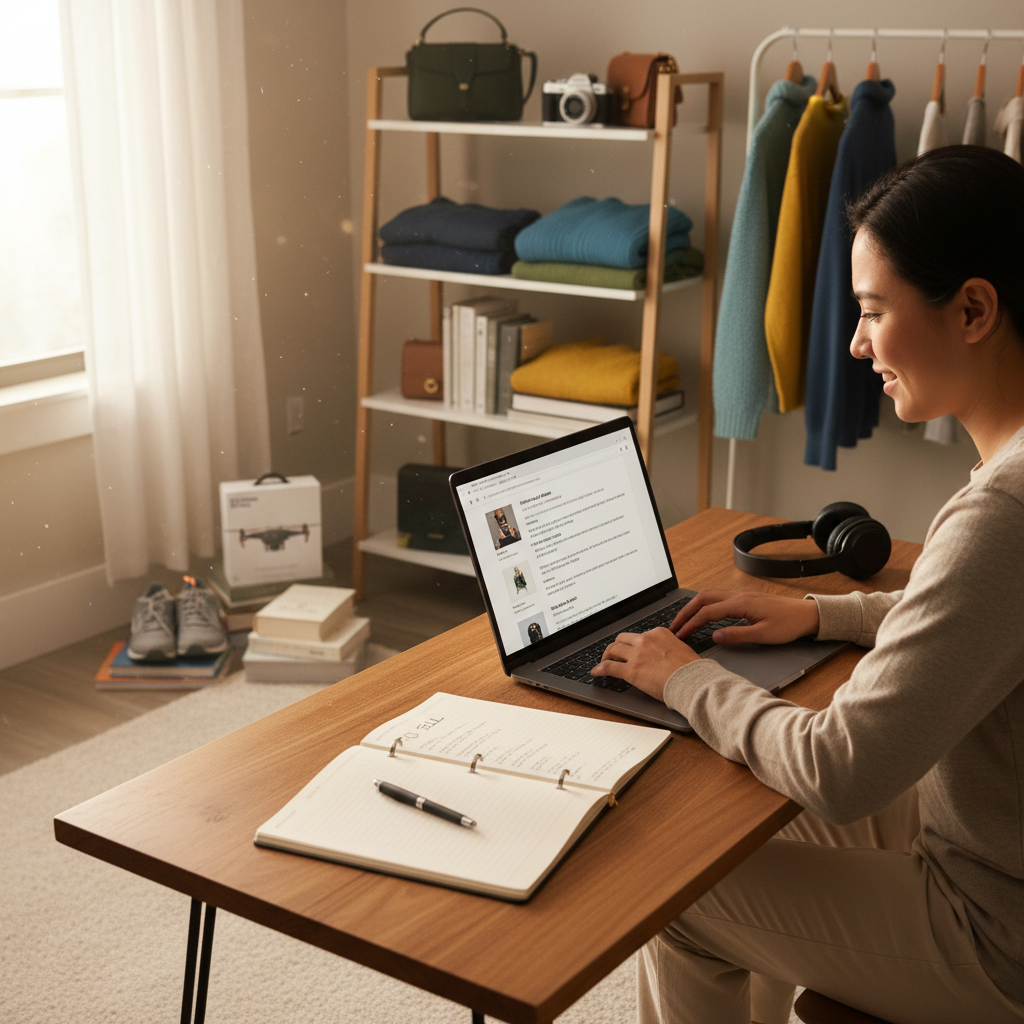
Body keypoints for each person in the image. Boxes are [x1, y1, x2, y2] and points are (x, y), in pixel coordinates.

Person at [592, 146, 1024, 1024]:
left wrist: (682, 676)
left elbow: (840, 769)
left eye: (872, 311)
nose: (857, 343)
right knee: (730, 825)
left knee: (676, 893)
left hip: (995, 932)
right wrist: (822, 611)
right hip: (992, 841)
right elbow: (982, 616)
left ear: (973, 308)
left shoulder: (1003, 513)